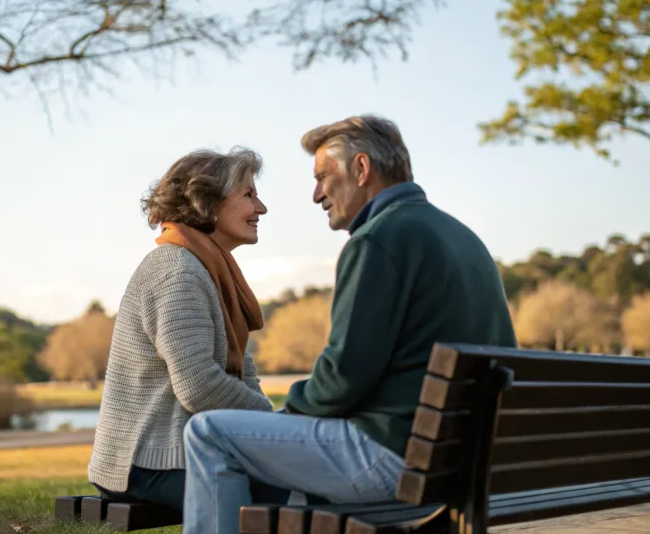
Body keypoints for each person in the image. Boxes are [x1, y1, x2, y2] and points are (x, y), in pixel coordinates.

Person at [181, 115, 518, 533]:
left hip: (394, 458)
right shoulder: (463, 238)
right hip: (461, 465)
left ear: (361, 169)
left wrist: (291, 413)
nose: (316, 194)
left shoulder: (379, 239)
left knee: (208, 432)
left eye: (323, 176)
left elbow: (344, 375)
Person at [88, 148, 281, 514]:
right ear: (206, 201)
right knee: (292, 493)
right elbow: (200, 385)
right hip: (147, 463)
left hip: (183, 452)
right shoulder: (178, 271)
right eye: (248, 195)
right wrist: (272, 423)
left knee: (303, 480)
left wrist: (273, 430)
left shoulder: (210, 268)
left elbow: (242, 370)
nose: (261, 209)